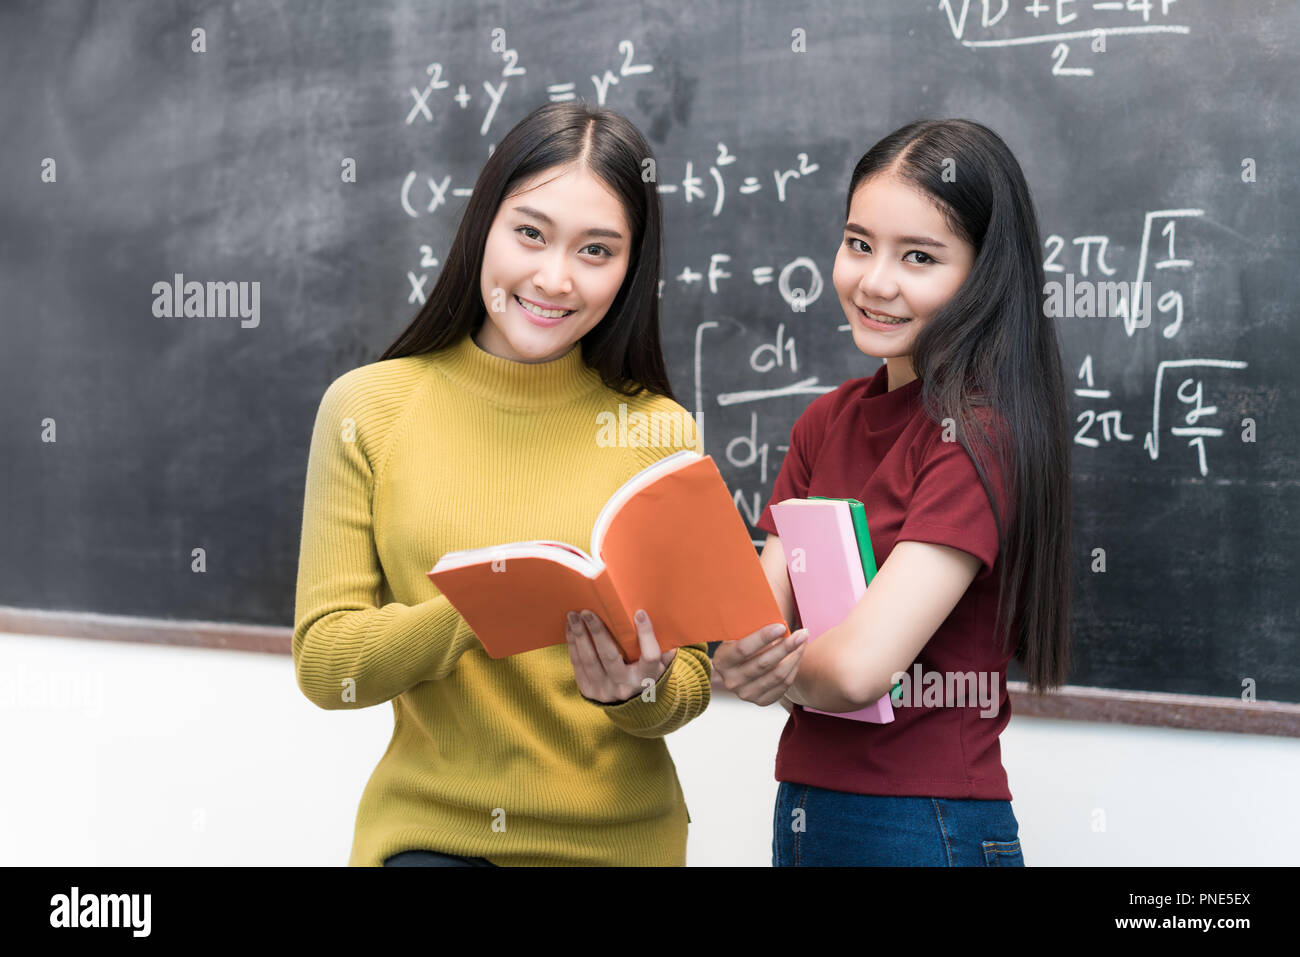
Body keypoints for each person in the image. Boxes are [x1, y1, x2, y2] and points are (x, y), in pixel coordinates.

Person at [291, 101, 796, 867]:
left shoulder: (656, 428)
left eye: (597, 250)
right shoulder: (367, 408)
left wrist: (632, 692)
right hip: (433, 839)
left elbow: (687, 679)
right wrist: (487, 602)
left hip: (620, 845)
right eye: (530, 232)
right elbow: (329, 666)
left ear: (631, 268)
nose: (554, 278)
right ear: (483, 227)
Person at [712, 118, 1073, 867]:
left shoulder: (980, 435)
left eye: (919, 256)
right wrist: (755, 654)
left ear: (982, 274)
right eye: (858, 243)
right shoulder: (824, 422)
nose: (875, 281)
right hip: (809, 806)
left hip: (925, 823)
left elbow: (853, 671)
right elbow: (747, 627)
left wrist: (771, 665)